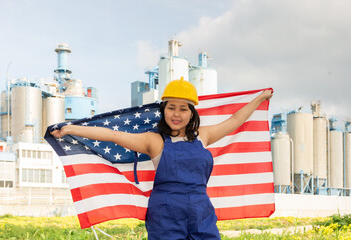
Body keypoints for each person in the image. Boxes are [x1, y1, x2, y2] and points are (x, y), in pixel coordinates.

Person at [51, 77, 273, 239]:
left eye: (183, 109)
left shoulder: (203, 137)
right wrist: (72, 129)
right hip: (166, 213)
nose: (176, 114)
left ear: (192, 113)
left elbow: (235, 121)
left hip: (201, 210)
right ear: (164, 110)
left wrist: (259, 98)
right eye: (171, 108)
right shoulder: (154, 141)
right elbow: (114, 135)